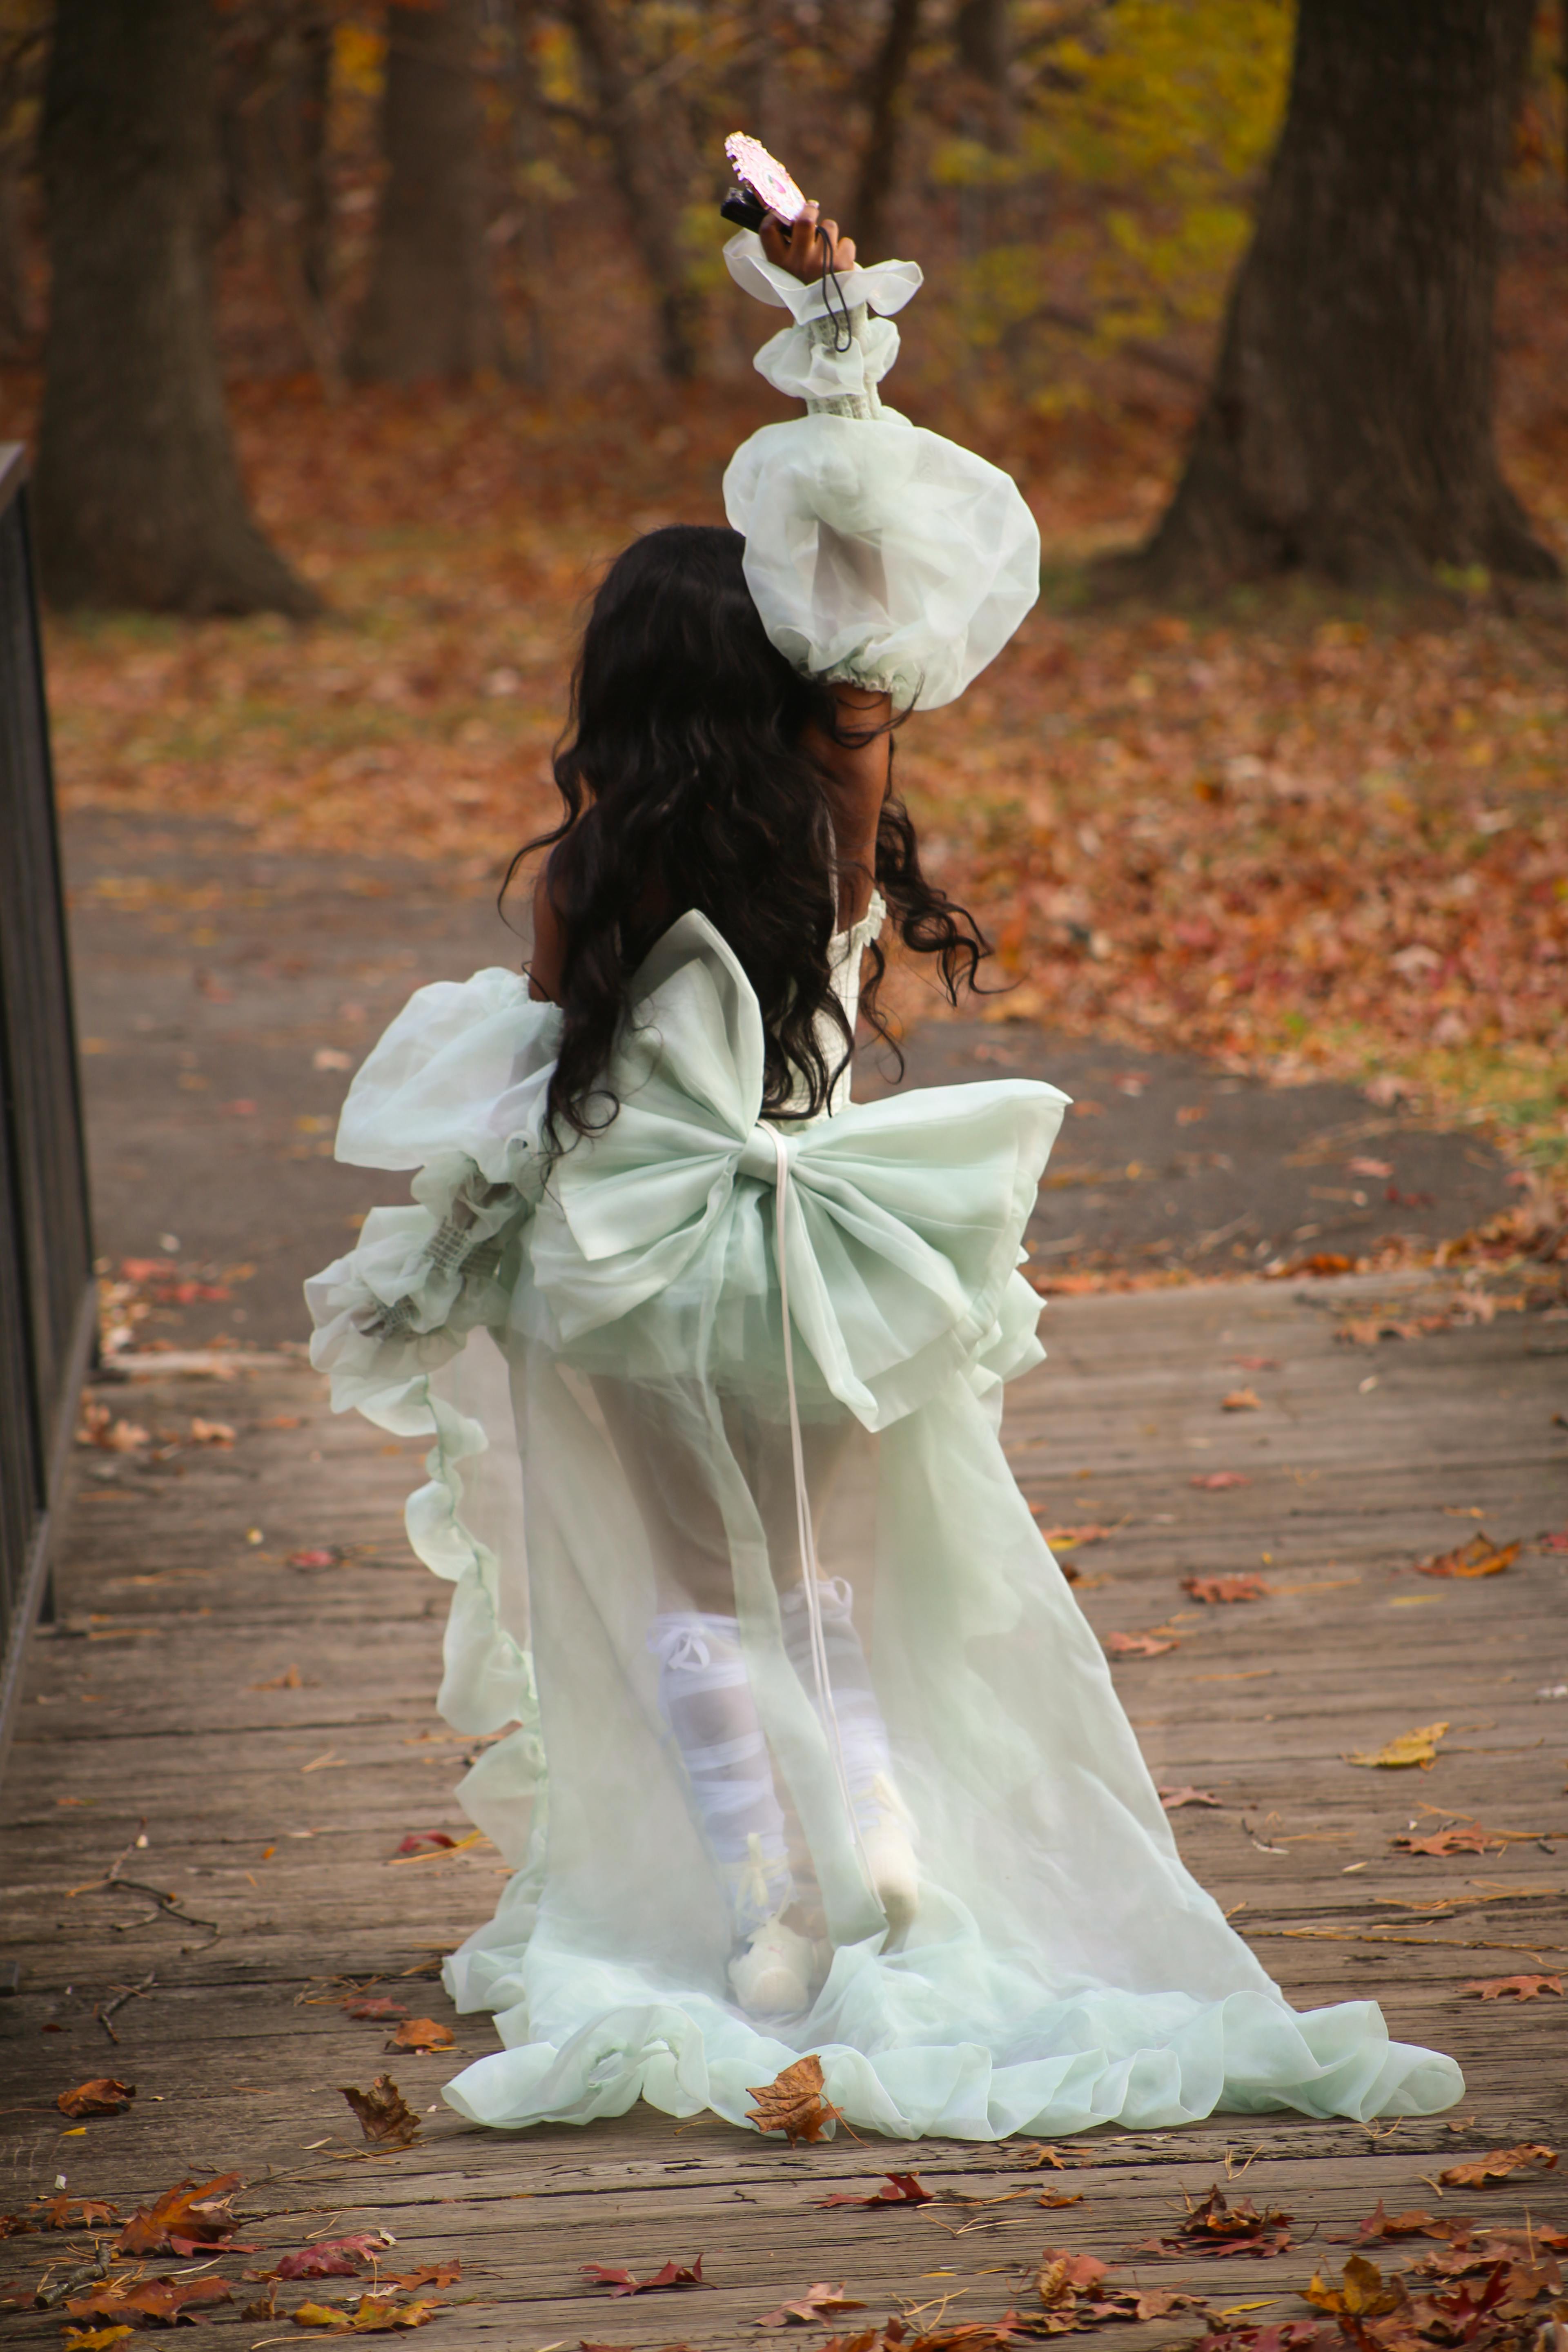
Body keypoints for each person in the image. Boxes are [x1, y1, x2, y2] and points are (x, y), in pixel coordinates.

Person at [307, 203, 1462, 2139]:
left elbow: (541, 1089)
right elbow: (868, 626)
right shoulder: (836, 836)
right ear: (791, 679)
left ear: (619, 699)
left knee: (691, 1590)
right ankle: (895, 1850)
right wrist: (840, 339)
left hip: (649, 1270)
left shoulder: (592, 886)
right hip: (827, 1254)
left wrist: (457, 1229)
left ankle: (766, 1900)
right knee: (831, 1583)